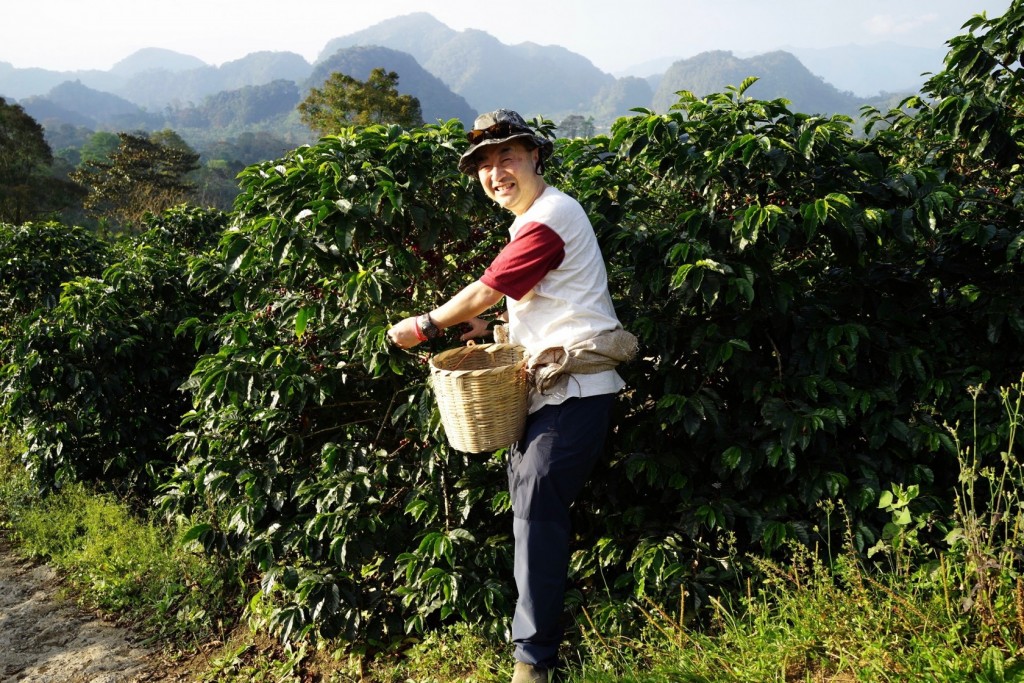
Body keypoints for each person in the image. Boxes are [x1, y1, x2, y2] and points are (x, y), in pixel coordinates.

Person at [387, 109, 634, 683]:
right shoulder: (535, 221)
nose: (497, 173)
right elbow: (545, 299)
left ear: (534, 158)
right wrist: (497, 327)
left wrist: (426, 324)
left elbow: (484, 288)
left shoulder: (549, 217)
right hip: (553, 393)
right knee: (532, 513)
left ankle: (534, 661)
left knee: (536, 514)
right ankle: (538, 646)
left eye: (508, 158)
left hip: (574, 391)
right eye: (486, 165)